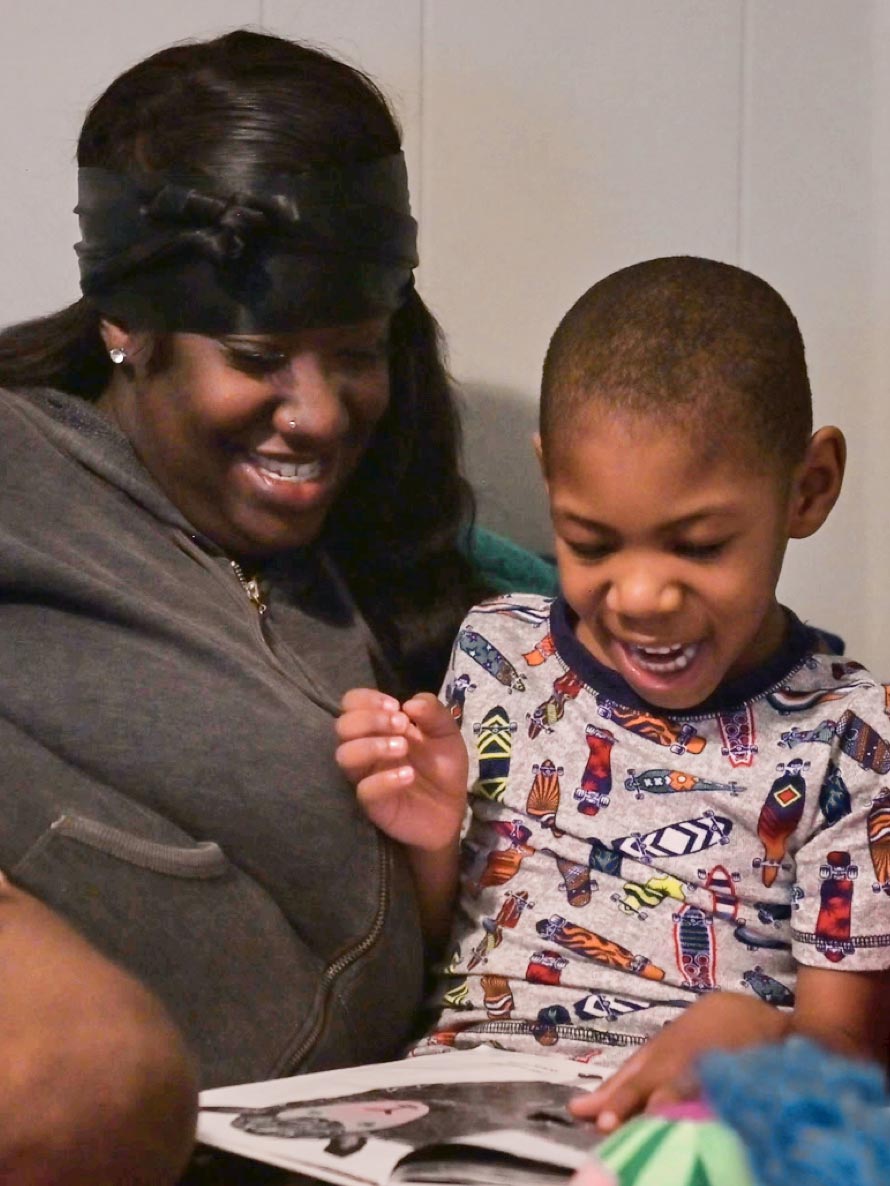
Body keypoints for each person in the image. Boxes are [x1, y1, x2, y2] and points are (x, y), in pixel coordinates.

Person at [0, 26, 491, 1180]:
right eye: (259, 354)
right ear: (126, 325)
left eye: (355, 352)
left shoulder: (382, 553)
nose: (317, 413)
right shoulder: (21, 462)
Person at [336, 256, 890, 1133]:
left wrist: (759, 1035)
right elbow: (436, 953)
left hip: (691, 1130)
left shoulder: (851, 740)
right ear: (551, 482)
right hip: (452, 1110)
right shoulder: (495, 651)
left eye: (699, 547)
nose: (640, 597)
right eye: (591, 544)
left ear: (808, 487)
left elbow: (850, 1067)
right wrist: (433, 839)